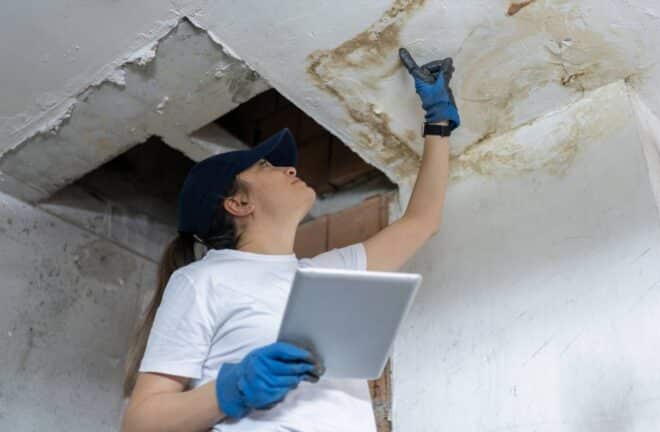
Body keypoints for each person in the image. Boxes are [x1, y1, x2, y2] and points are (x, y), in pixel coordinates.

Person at [120, 48, 460, 432]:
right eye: (267, 165)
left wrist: (438, 123)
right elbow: (140, 423)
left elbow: (421, 221)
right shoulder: (201, 280)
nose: (291, 168)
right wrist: (232, 390)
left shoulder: (325, 276)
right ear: (238, 202)